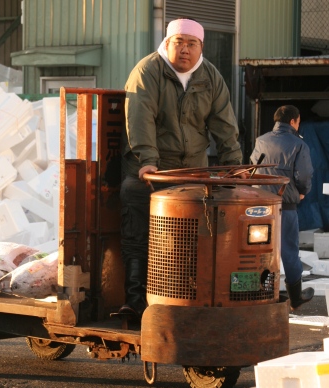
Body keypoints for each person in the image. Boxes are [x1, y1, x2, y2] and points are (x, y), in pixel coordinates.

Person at [118, 18, 243, 320]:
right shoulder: (148, 71)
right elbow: (140, 118)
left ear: (201, 47)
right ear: (167, 42)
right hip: (150, 172)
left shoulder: (210, 77)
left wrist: (235, 168)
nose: (185, 50)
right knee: (141, 237)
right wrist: (148, 160)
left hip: (193, 174)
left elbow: (225, 126)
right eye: (179, 42)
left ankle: (188, 301)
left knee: (194, 240)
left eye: (192, 44)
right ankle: (136, 304)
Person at [250, 105, 314, 310]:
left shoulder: (261, 140)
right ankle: (295, 298)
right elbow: (303, 175)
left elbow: (251, 168)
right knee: (288, 250)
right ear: (294, 121)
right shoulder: (298, 144)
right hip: (284, 205)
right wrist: (302, 191)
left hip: (258, 206)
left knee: (260, 251)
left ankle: (262, 294)